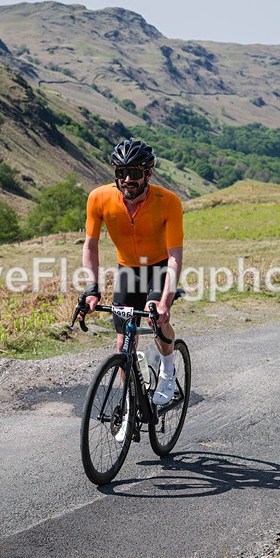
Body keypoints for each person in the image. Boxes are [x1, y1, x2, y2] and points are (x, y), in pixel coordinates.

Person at [81, 138, 183, 405]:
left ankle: (168, 371)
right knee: (123, 342)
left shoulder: (168, 201)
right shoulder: (99, 198)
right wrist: (91, 290)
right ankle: (130, 402)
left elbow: (175, 256)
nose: (127, 179)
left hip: (159, 267)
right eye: (121, 172)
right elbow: (90, 245)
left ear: (148, 174)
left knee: (155, 318)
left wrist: (165, 302)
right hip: (128, 270)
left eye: (134, 172)